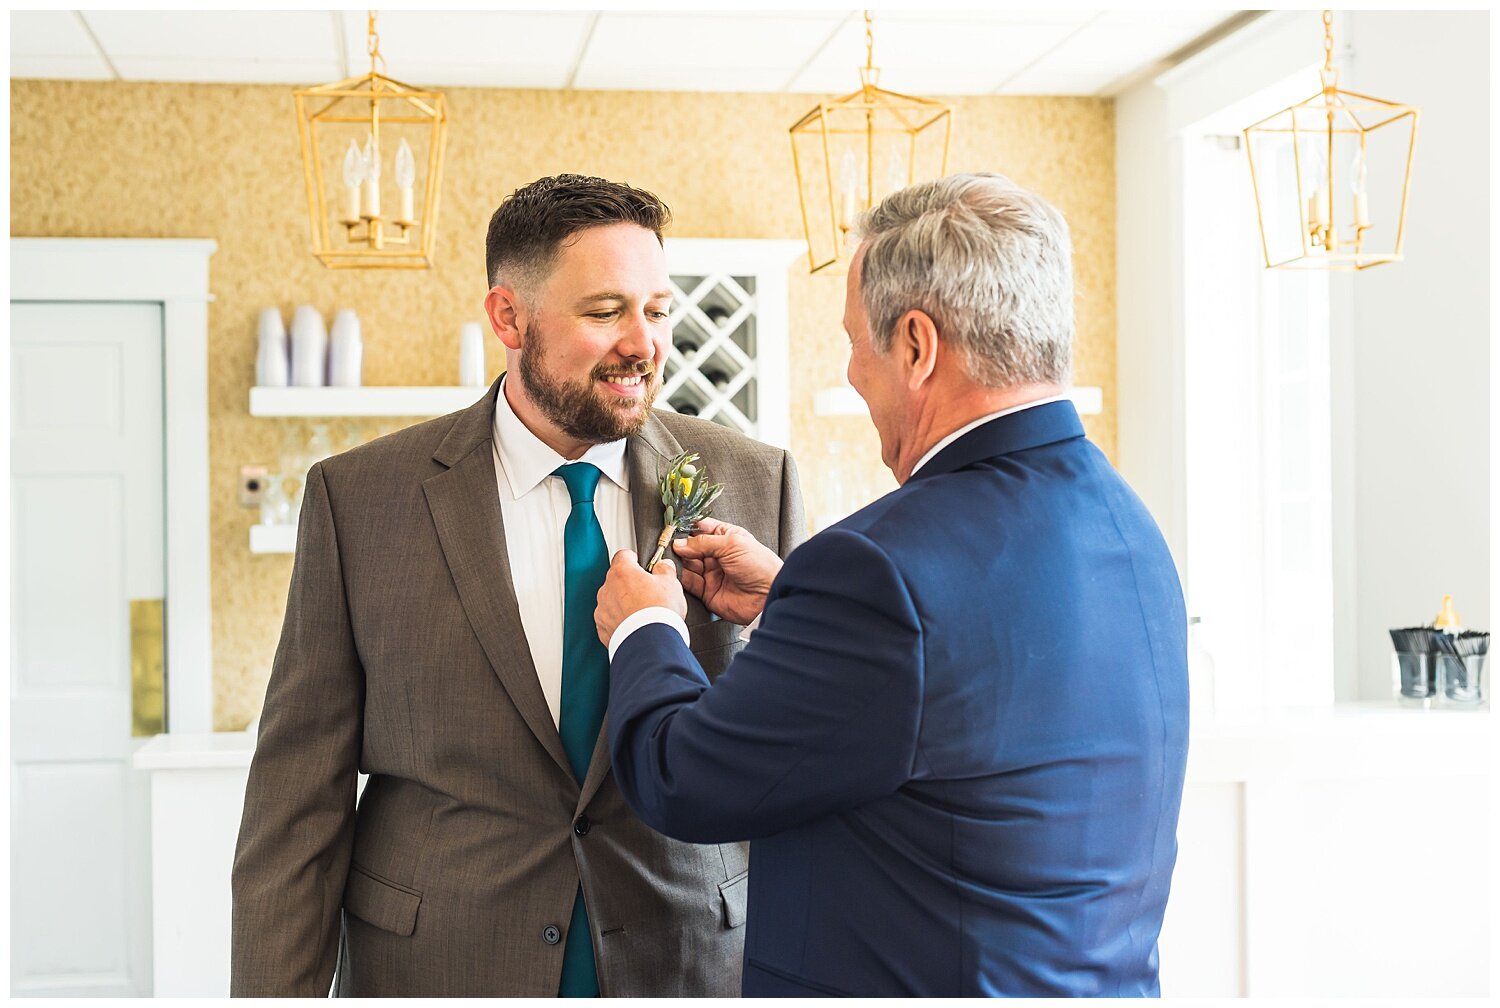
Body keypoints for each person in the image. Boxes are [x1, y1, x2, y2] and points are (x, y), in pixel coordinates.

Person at [595, 172, 1189, 997]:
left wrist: (645, 629)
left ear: (916, 344)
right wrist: (791, 606)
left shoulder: (876, 571)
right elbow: (969, 689)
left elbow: (680, 780)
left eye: (854, 341)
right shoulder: (1130, 526)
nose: (851, 373)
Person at [231, 174, 805, 996]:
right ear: (508, 317)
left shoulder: (754, 481)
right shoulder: (358, 500)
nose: (642, 344)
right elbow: (297, 805)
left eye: (658, 310)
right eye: (606, 312)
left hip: (684, 961)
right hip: (439, 966)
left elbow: (801, 751)